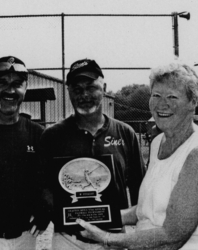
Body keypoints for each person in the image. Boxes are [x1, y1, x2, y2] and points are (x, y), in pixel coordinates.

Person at [76, 62, 198, 250]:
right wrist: (96, 216)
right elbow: (147, 209)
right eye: (156, 95)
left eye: (172, 96)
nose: (162, 104)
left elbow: (171, 237)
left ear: (193, 103)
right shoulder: (158, 142)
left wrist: (106, 237)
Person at [40, 58, 145, 249]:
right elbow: (44, 187)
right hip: (68, 239)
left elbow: (140, 188)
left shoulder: (125, 133)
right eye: (77, 89)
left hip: (112, 239)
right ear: (69, 92)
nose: (84, 95)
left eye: (91, 87)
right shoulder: (52, 136)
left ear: (103, 88)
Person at [0, 56, 50, 250]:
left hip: (25, 238)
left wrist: (47, 209)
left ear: (25, 88)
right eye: (2, 83)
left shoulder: (38, 135)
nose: (10, 91)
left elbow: (48, 182)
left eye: (17, 84)